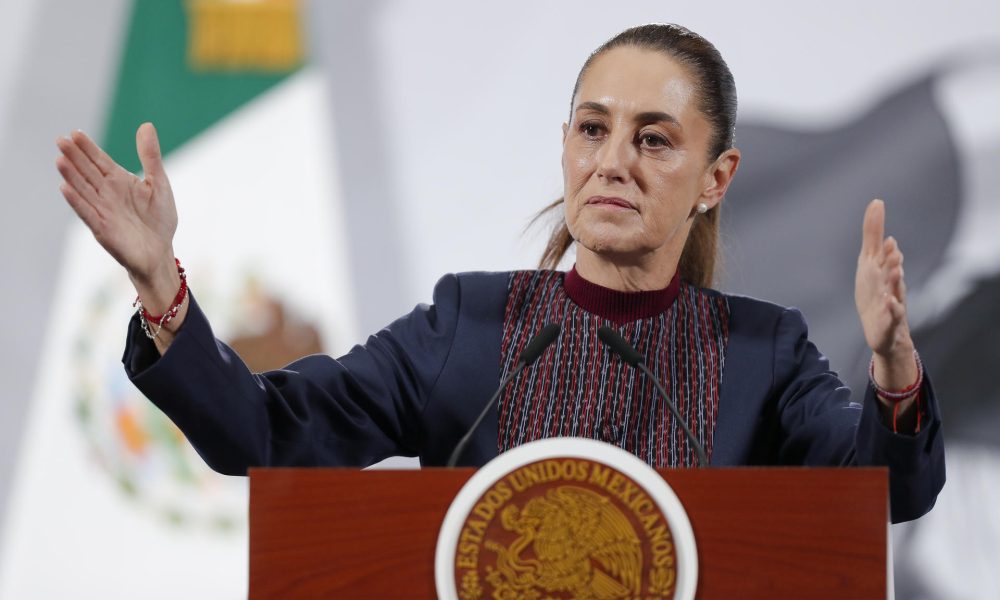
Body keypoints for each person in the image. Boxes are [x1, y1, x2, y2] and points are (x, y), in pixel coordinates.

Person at [54, 24, 943, 522]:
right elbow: (264, 435)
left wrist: (895, 368)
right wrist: (160, 287)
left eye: (654, 139)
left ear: (717, 179)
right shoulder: (469, 327)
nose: (613, 162)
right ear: (565, 146)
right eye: (592, 129)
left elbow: (886, 494)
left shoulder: (764, 353)